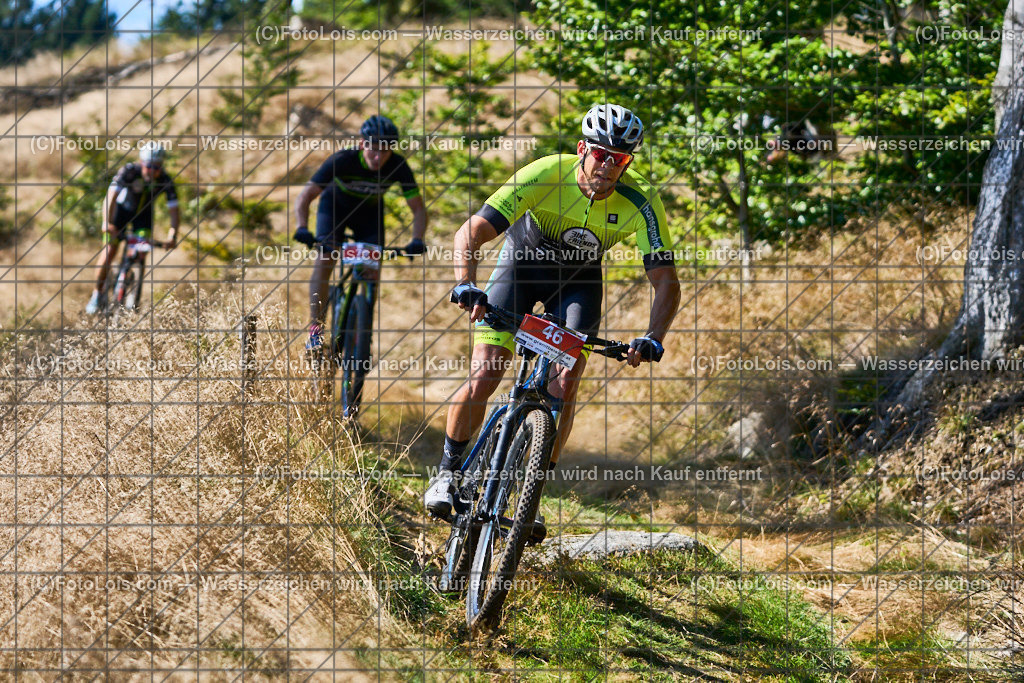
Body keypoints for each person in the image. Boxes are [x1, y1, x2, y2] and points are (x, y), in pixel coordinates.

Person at [424, 103, 681, 519]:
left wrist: (653, 337)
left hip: (577, 285)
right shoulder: (546, 173)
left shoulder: (642, 200)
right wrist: (466, 283)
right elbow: (472, 231)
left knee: (566, 381)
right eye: (601, 154)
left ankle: (531, 497)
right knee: (487, 372)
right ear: (582, 149)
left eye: (620, 159)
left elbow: (666, 280)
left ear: (628, 163)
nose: (608, 166)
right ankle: (447, 474)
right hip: (521, 268)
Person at [293, 115, 428, 354]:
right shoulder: (342, 160)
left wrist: (417, 239)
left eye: (385, 151)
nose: (378, 157)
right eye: (374, 150)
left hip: (369, 215)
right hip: (334, 209)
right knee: (325, 258)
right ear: (362, 144)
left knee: (371, 271)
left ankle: (363, 330)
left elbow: (418, 208)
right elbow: (305, 196)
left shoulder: (397, 165)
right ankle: (315, 331)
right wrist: (302, 227)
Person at [86, 142, 179, 314]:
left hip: (143, 218)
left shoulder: (165, 180)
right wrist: (106, 223)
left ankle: (131, 286)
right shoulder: (129, 171)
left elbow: (174, 210)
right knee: (109, 252)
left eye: (157, 167)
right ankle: (97, 294)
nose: (153, 170)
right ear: (142, 163)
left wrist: (172, 236)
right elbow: (110, 197)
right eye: (149, 166)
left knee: (141, 251)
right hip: (120, 214)